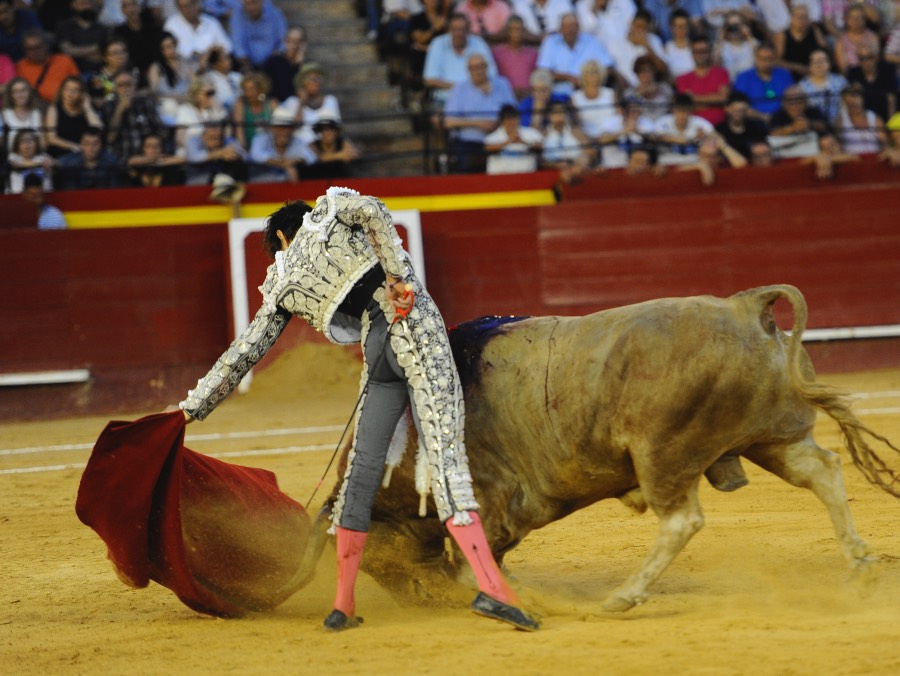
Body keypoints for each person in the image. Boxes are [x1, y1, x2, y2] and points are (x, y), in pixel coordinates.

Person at [171, 190, 541, 632]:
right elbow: (373, 210)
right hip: (413, 326)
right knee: (445, 458)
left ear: (281, 239)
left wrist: (191, 408)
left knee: (359, 476)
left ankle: (343, 605)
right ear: (302, 222)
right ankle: (492, 590)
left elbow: (244, 352)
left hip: (376, 349)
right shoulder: (328, 211)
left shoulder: (281, 283)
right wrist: (398, 276)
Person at [442, 52, 516, 172]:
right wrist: (477, 123)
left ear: (487, 67)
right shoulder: (459, 89)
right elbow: (448, 122)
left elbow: (513, 113)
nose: (478, 71)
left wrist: (497, 123)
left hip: (501, 140)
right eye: (474, 68)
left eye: (481, 66)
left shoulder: (502, 84)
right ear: (468, 70)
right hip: (469, 143)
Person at [423, 13, 496, 108]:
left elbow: (492, 75)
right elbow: (430, 80)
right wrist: (463, 88)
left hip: (476, 99)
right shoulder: (438, 44)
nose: (458, 33)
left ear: (468, 30)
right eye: (454, 29)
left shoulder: (479, 43)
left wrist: (465, 89)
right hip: (444, 101)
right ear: (448, 30)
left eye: (462, 29)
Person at [536, 12, 614, 95]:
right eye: (566, 27)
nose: (570, 30)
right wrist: (568, 78)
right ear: (560, 29)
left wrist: (587, 80)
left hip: (589, 90)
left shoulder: (592, 41)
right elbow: (543, 71)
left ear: (579, 27)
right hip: (559, 92)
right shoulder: (550, 42)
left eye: (573, 26)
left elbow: (608, 67)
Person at [102, 69, 166, 160]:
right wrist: (119, 111)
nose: (125, 89)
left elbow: (162, 132)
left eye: (128, 84)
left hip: (147, 157)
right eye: (121, 85)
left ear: (134, 86)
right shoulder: (109, 106)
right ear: (115, 89)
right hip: (121, 157)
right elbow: (110, 139)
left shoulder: (146, 102)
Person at [247, 105, 315, 182]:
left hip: (288, 184)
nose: (284, 131)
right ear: (272, 128)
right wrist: (282, 164)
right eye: (279, 127)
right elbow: (256, 155)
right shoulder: (261, 138)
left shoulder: (298, 141)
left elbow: (311, 157)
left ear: (292, 129)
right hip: (261, 183)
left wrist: (295, 161)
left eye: (287, 127)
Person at [280, 62, 343, 145]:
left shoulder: (331, 100)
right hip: (301, 147)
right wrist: (301, 104)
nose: (316, 82)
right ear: (303, 83)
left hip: (324, 147)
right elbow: (293, 128)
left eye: (319, 79)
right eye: (312, 79)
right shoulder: (292, 102)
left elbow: (337, 129)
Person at [14, 29, 81, 105]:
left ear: (46, 45)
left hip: (66, 105)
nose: (35, 51)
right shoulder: (18, 67)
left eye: (38, 47)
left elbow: (78, 86)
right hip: (35, 107)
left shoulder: (64, 61)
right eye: (30, 49)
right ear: (24, 50)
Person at [605, 8, 668, 89]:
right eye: (637, 26)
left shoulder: (654, 40)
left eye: (643, 28)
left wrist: (647, 46)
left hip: (648, 88)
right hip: (623, 87)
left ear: (649, 29)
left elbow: (662, 69)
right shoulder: (615, 42)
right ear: (631, 23)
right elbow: (608, 67)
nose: (639, 30)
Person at [676, 35, 731, 126]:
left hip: (720, 124)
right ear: (692, 53)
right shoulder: (683, 78)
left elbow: (723, 98)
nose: (700, 55)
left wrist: (696, 99)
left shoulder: (722, 73)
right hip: (694, 126)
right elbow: (687, 102)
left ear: (709, 52)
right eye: (697, 52)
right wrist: (715, 99)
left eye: (704, 51)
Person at [44, 75, 104, 158]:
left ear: (81, 94)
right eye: (67, 89)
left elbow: (98, 130)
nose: (70, 94)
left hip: (83, 155)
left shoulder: (86, 110)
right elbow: (51, 138)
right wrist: (75, 147)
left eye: (75, 90)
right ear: (61, 91)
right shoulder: (54, 109)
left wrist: (87, 107)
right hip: (61, 153)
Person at [732, 42, 794, 123]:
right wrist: (764, 117)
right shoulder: (743, 77)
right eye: (762, 58)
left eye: (770, 59)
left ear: (775, 59)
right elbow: (740, 105)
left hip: (783, 119)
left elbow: (792, 99)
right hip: (753, 121)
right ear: (755, 58)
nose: (766, 62)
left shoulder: (785, 74)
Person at [147, 31, 197, 127]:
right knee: (170, 106)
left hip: (187, 103)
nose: (171, 49)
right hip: (167, 106)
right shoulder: (156, 68)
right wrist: (174, 97)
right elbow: (153, 93)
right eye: (167, 47)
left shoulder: (186, 63)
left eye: (172, 45)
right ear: (161, 50)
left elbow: (194, 85)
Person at [540, 99, 596, 181]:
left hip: (577, 172)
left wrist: (580, 162)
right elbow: (539, 161)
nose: (559, 115)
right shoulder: (543, 134)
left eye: (563, 112)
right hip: (551, 174)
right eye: (555, 112)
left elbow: (590, 153)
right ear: (549, 116)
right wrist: (554, 165)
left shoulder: (577, 132)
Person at [767, 84, 831, 157]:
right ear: (784, 104)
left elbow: (826, 126)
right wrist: (792, 128)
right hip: (787, 154)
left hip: (814, 153)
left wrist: (810, 124)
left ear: (806, 102)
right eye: (791, 102)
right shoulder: (778, 115)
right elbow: (772, 133)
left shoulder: (813, 111)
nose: (796, 106)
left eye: (799, 101)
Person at [163, 0, 231, 66]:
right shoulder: (171, 24)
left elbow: (227, 47)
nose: (186, 10)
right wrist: (192, 54)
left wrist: (211, 52)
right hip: (184, 68)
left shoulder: (211, 22)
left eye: (188, 5)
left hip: (213, 66)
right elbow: (167, 48)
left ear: (196, 4)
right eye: (182, 7)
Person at [114, 0, 164, 88]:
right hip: (131, 73)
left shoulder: (153, 28)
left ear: (139, 7)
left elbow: (159, 53)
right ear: (122, 11)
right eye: (126, 6)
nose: (131, 9)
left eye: (133, 5)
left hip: (155, 70)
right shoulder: (118, 32)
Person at [55, 126, 124, 189]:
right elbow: (70, 192)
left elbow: (114, 191)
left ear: (101, 145)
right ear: (81, 145)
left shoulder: (111, 163)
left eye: (95, 144)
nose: (91, 148)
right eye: (87, 144)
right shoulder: (70, 163)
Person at [174, 73, 228, 154]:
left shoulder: (214, 110)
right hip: (189, 153)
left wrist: (217, 110)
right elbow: (179, 139)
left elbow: (224, 134)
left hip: (213, 152)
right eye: (208, 94)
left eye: (212, 93)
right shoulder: (185, 110)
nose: (211, 97)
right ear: (196, 94)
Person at [654, 91, 714, 164]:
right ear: (673, 110)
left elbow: (713, 141)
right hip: (667, 161)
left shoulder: (702, 124)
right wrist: (691, 140)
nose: (682, 115)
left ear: (691, 111)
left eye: (686, 111)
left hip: (694, 162)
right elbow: (660, 138)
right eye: (679, 111)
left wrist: (703, 138)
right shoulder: (662, 122)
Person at [483, 103, 543, 173]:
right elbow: (487, 148)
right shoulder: (493, 136)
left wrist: (525, 143)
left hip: (526, 175)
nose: (512, 122)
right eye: (508, 119)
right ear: (502, 121)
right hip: (500, 176)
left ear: (519, 119)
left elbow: (541, 147)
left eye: (514, 118)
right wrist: (508, 142)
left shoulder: (531, 132)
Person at [773, 4, 827, 81]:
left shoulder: (814, 31)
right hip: (790, 73)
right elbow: (777, 61)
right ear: (791, 18)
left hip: (813, 72)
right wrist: (797, 67)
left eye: (805, 16)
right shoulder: (782, 36)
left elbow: (825, 51)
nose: (801, 20)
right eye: (798, 16)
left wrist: (815, 67)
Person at [229, 0, 286, 72]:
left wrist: (278, 52)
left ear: (262, 2)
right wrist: (245, 62)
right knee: (232, 59)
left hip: (271, 60)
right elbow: (238, 42)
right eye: (247, 4)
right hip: (246, 61)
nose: (251, 7)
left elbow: (283, 39)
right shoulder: (238, 14)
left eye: (254, 3)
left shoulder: (275, 14)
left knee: (280, 61)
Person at [491, 14, 538, 100]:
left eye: (519, 29)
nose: (516, 33)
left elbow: (537, 78)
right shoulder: (497, 53)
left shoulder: (532, 54)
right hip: (505, 96)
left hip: (529, 96)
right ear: (507, 31)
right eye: (512, 29)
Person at [845, 46, 898, 124]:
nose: (866, 61)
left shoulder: (887, 70)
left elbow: (891, 98)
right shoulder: (853, 73)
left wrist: (890, 123)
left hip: (884, 113)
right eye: (861, 58)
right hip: (864, 117)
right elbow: (851, 99)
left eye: (869, 57)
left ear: (876, 57)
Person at [183, 120, 247, 184]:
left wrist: (236, 156)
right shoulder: (193, 140)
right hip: (198, 185)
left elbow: (245, 155)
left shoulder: (228, 140)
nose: (217, 142)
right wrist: (218, 153)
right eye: (212, 138)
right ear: (203, 136)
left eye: (219, 138)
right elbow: (194, 157)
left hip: (224, 184)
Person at [55, 0, 110, 73]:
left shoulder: (102, 28)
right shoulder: (65, 26)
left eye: (90, 3)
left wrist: (79, 53)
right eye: (83, 3)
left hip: (100, 72)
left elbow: (105, 54)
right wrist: (98, 48)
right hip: (73, 72)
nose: (88, 6)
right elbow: (67, 50)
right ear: (74, 5)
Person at [834, 82, 887, 154]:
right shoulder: (840, 120)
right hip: (851, 158)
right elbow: (837, 146)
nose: (853, 104)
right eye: (849, 103)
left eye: (855, 98)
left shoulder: (875, 118)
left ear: (862, 99)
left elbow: (884, 143)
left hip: (873, 157)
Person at [714, 90, 768, 159]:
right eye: (735, 111)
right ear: (727, 109)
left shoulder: (756, 128)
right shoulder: (720, 129)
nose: (739, 114)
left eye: (743, 111)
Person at [570, 59, 617, 139]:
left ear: (601, 74)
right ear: (583, 76)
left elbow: (618, 116)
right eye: (589, 72)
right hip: (587, 139)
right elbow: (575, 123)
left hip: (611, 135)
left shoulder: (611, 93)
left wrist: (607, 134)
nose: (592, 75)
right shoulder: (575, 97)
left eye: (595, 71)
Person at [305, 113, 360, 180]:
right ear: (319, 132)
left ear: (336, 132)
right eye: (323, 130)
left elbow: (352, 154)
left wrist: (349, 154)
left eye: (331, 129)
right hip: (319, 180)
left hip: (341, 179)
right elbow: (320, 158)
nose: (327, 133)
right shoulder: (313, 144)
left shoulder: (343, 142)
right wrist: (340, 155)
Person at [799, 49, 848, 124]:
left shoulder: (840, 81)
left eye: (822, 61)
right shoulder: (801, 86)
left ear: (829, 63)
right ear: (809, 66)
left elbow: (847, 105)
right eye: (814, 62)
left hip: (841, 124)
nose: (818, 65)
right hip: (815, 126)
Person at [231, 70, 276, 150]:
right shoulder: (240, 104)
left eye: (252, 89)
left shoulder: (271, 104)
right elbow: (239, 132)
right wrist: (243, 151)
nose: (248, 93)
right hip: (248, 148)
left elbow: (278, 131)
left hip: (269, 148)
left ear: (261, 90)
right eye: (245, 89)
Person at [262, 25, 307, 102]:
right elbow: (267, 86)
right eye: (291, 41)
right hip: (276, 103)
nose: (295, 45)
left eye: (299, 41)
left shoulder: (307, 65)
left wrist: (298, 65)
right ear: (285, 42)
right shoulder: (274, 61)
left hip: (298, 104)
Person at [624, 55, 674, 122]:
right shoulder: (630, 92)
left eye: (649, 70)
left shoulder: (664, 88)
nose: (646, 74)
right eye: (642, 71)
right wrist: (640, 93)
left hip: (664, 124)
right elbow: (627, 111)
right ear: (637, 74)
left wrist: (657, 91)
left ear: (654, 72)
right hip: (641, 125)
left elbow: (674, 106)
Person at [833, 2, 880, 74]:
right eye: (852, 17)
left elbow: (876, 61)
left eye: (859, 17)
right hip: (851, 76)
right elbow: (843, 68)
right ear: (847, 20)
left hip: (870, 75)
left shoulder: (872, 37)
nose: (855, 20)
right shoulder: (841, 41)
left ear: (864, 20)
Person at [713, 11, 756, 82]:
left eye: (737, 25)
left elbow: (760, 58)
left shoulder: (752, 42)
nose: (734, 29)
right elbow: (715, 66)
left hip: (749, 82)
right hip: (729, 83)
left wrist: (749, 36)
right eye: (730, 26)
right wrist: (720, 39)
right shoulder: (721, 45)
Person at [6, 128, 54, 192]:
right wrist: (39, 164)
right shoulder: (13, 156)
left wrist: (51, 164)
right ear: (17, 144)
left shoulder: (43, 156)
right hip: (18, 194)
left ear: (37, 143)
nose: (27, 145)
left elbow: (54, 164)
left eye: (30, 141)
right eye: (22, 141)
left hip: (44, 194)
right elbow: (16, 165)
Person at [2, 77, 43, 151]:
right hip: (13, 156)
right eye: (15, 92)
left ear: (29, 93)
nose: (20, 95)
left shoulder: (36, 113)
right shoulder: (4, 115)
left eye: (23, 90)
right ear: (10, 95)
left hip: (36, 155)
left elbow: (42, 142)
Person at [206, 45, 242, 112]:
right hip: (222, 110)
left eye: (228, 58)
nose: (229, 61)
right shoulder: (209, 78)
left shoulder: (238, 76)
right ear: (215, 64)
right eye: (224, 59)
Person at [662, 9, 695, 79]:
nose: (681, 29)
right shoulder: (666, 48)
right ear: (672, 28)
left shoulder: (695, 47)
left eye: (684, 26)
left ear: (688, 27)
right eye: (677, 26)